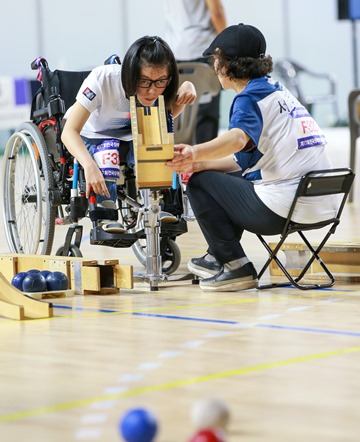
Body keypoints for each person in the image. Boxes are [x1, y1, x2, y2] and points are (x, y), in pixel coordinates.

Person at [167, 23, 338, 292]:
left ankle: (235, 266)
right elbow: (244, 158)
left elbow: (237, 138)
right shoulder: (277, 91)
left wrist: (194, 152)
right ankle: (217, 256)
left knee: (199, 182)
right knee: (211, 174)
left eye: (216, 59)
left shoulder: (248, 99)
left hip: (281, 211)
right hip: (321, 203)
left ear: (228, 64)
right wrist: (200, 162)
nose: (213, 66)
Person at [61, 35, 196, 232]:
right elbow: (69, 132)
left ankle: (162, 206)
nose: (152, 91)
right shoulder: (102, 80)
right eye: (144, 81)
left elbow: (165, 116)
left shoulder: (162, 87)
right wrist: (89, 165)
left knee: (156, 147)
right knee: (107, 154)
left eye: (160, 82)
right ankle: (106, 214)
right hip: (93, 133)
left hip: (130, 134)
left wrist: (187, 87)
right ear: (131, 74)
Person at [164, 0, 226, 143]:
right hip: (202, 47)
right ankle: (205, 160)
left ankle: (180, 158)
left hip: (175, 50)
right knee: (206, 112)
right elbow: (217, 13)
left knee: (179, 109)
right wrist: (226, 46)